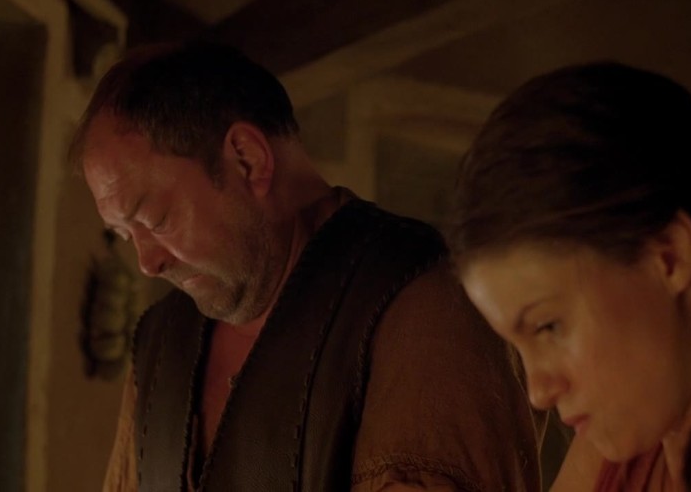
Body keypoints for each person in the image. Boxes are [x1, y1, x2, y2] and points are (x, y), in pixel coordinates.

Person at [71, 41, 542, 491]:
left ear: (247, 159)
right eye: (125, 235)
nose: (147, 263)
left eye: (156, 220)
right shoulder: (160, 342)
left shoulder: (420, 297)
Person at [447, 62, 691, 491]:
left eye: (549, 326)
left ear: (669, 254)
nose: (539, 392)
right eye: (518, 346)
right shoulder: (616, 443)